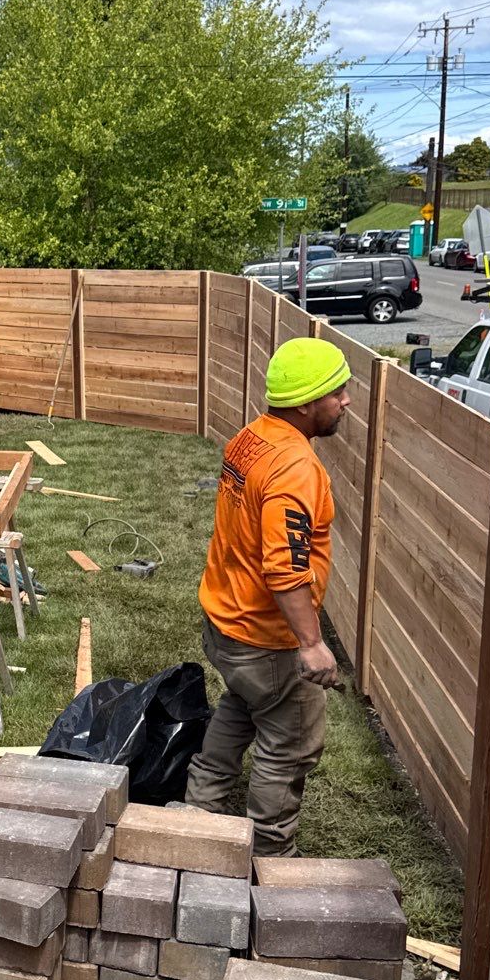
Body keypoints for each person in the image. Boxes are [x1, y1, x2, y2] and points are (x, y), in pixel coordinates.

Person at [183, 337, 352, 856]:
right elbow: (285, 568)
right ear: (305, 403)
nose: (345, 401)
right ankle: (270, 855)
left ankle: (199, 808)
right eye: (336, 392)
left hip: (225, 622)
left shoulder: (250, 438)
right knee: (290, 744)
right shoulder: (295, 468)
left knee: (243, 704)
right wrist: (310, 643)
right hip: (265, 637)